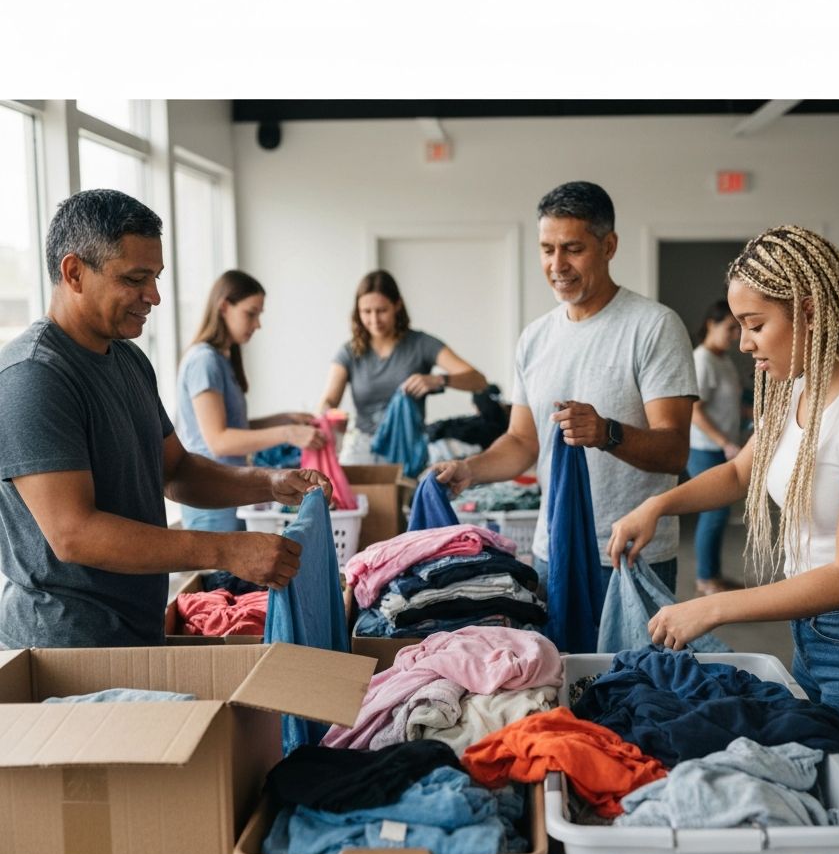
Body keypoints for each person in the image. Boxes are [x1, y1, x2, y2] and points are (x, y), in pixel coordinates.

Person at [608, 225, 839, 854]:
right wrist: (659, 503)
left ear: (810, 311)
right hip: (821, 639)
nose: (743, 342)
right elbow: (740, 473)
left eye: (756, 324)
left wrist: (711, 608)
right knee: (818, 822)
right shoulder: (796, 393)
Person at [0, 189, 331, 650]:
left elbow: (177, 472)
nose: (153, 296)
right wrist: (225, 549)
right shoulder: (33, 377)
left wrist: (270, 483)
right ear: (74, 272)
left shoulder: (129, 360)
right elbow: (74, 534)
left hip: (136, 629)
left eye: (155, 277)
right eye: (135, 279)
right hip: (65, 646)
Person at [435, 180, 697, 598]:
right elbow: (523, 441)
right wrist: (470, 470)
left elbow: (674, 451)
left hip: (631, 556)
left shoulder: (654, 327)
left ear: (608, 246)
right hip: (551, 551)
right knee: (558, 664)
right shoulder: (535, 337)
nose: (557, 264)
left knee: (633, 666)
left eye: (573, 249)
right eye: (546, 249)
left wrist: (607, 433)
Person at [175, 269, 327, 531]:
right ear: (224, 307)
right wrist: (288, 433)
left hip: (227, 491)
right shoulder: (204, 361)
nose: (257, 324)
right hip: (209, 495)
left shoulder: (220, 360)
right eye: (251, 313)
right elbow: (219, 441)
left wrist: (285, 418)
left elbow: (236, 426)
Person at [318, 270, 487, 464]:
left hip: (408, 448)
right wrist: (324, 418)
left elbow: (478, 380)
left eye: (382, 310)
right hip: (362, 447)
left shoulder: (421, 344)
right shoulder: (349, 352)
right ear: (358, 311)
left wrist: (439, 380)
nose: (374, 320)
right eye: (366, 312)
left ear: (397, 305)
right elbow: (329, 400)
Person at [688, 298, 744, 596]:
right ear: (712, 323)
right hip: (705, 449)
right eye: (731, 328)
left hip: (720, 447)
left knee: (719, 513)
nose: (736, 335)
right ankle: (706, 579)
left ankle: (714, 576)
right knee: (714, 512)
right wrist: (725, 443)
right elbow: (695, 411)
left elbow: (728, 404)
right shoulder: (703, 360)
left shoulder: (722, 359)